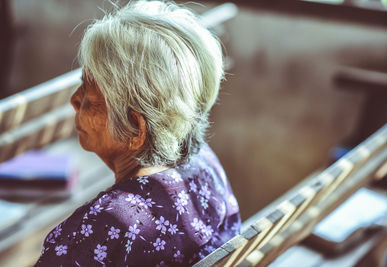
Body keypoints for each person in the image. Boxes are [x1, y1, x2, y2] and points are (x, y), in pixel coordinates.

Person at [35, 1, 240, 266]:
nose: (75, 100)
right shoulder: (206, 164)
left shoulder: (105, 226)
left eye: (88, 91)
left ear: (135, 129)